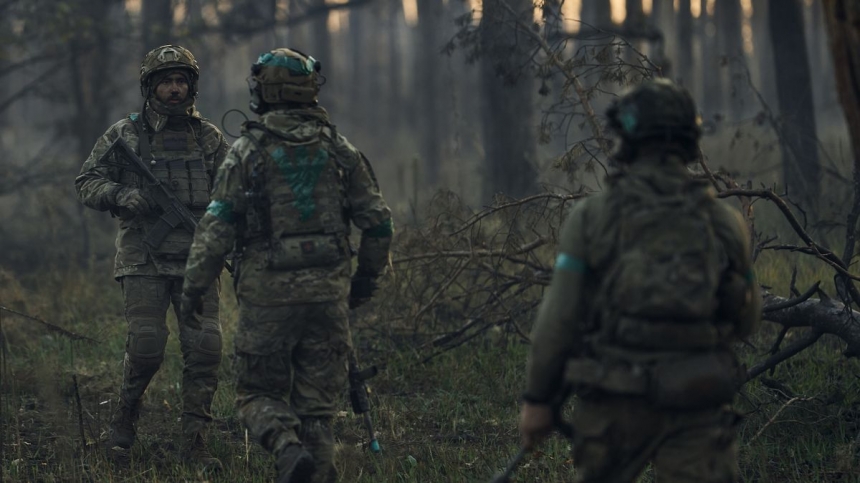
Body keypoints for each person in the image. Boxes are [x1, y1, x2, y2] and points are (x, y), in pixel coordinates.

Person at [518, 79, 761, 482]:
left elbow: (557, 320)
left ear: (627, 139)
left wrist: (538, 400)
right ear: (689, 140)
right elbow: (748, 319)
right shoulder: (724, 221)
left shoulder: (592, 217)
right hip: (695, 404)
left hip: (614, 408)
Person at [181, 47, 393, 483]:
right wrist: (363, 283)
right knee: (318, 411)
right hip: (328, 298)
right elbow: (378, 224)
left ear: (263, 91)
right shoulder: (339, 149)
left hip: (266, 298)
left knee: (256, 393)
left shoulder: (246, 151)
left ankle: (285, 447)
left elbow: (217, 226)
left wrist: (193, 288)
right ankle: (315, 468)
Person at [75, 45, 229, 471]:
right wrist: (122, 194)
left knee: (205, 348)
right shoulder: (123, 134)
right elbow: (86, 180)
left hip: (198, 259)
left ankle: (195, 441)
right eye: (165, 81)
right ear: (150, 87)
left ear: (192, 85)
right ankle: (124, 417)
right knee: (146, 346)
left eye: (181, 81)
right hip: (143, 256)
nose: (174, 89)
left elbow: (233, 196)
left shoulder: (210, 138)